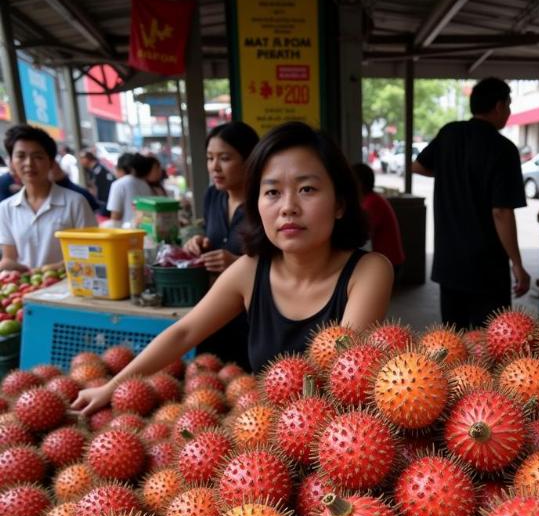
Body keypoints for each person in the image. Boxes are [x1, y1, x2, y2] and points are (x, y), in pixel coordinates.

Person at [72, 120, 394, 416]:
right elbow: (183, 331)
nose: (288, 207)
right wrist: (111, 387)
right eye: (272, 192)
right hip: (261, 444)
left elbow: (343, 374)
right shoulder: (250, 270)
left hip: (334, 445)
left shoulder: (368, 271)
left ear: (339, 203)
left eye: (307, 189)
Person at [412, 77, 530, 329]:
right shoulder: (503, 149)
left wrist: (449, 173)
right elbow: (501, 211)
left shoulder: (449, 133)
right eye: (508, 105)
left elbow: (418, 165)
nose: (509, 112)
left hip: (449, 263)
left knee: (454, 340)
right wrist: (518, 265)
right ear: (499, 106)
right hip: (486, 267)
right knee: (491, 342)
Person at [184, 121, 260, 369]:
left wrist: (238, 264)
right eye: (209, 158)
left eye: (225, 158)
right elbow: (212, 236)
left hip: (252, 315)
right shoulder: (213, 196)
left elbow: (284, 263)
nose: (214, 167)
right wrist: (199, 242)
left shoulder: (265, 203)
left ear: (249, 159)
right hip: (215, 309)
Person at [0, 125, 95, 272]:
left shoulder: (75, 202)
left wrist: (43, 270)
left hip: (69, 288)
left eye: (37, 156)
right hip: (26, 288)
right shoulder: (6, 208)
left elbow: (92, 252)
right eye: (21, 156)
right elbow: (9, 257)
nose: (29, 163)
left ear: (51, 162)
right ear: (12, 162)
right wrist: (7, 265)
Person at [351, 162, 405, 273]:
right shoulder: (370, 199)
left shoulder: (372, 203)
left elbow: (360, 236)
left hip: (389, 263)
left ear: (359, 183)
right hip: (386, 261)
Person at [106, 153, 151, 226]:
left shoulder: (118, 184)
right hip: (144, 232)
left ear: (120, 169)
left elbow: (115, 217)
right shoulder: (145, 185)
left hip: (125, 233)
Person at [80, 149, 115, 213]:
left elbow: (96, 188)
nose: (80, 161)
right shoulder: (93, 169)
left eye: (82, 158)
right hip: (104, 202)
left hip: (105, 202)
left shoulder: (98, 170)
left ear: (88, 158)